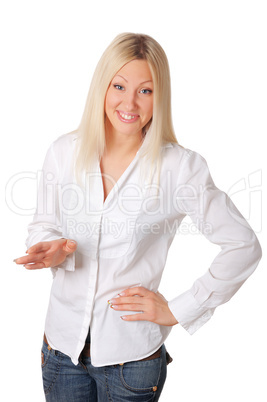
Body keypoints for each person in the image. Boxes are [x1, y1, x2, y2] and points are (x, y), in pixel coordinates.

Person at [14, 33, 262, 401]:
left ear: (159, 96)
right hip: (60, 351)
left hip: (132, 360)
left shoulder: (179, 168)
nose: (129, 102)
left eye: (145, 90)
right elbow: (43, 222)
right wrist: (52, 247)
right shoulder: (63, 151)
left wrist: (179, 309)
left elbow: (244, 246)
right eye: (119, 86)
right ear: (103, 86)